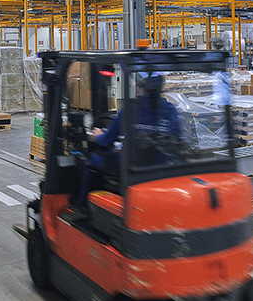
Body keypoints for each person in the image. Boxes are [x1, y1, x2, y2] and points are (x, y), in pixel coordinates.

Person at [76, 72, 181, 205]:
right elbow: (178, 140)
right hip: (162, 168)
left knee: (94, 159)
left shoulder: (130, 109)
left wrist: (98, 135)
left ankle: (82, 204)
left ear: (140, 87)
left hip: (133, 168)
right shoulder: (170, 110)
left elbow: (106, 141)